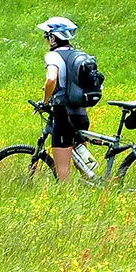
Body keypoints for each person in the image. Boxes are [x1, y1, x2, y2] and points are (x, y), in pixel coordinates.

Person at [36, 17, 90, 182]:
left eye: (46, 36)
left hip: (63, 115)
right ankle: (92, 188)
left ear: (53, 37)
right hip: (81, 115)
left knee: (63, 168)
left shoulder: (53, 56)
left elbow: (51, 79)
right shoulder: (80, 55)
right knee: (84, 165)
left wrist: (44, 101)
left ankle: (66, 196)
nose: (45, 39)